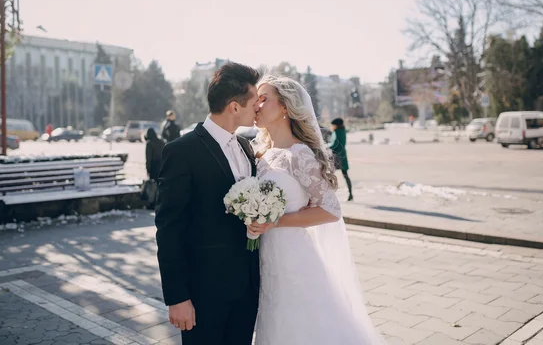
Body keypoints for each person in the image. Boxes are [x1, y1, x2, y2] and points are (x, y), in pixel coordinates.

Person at [250, 75, 383, 345]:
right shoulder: (260, 154)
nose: (256, 104)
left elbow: (330, 210)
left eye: (264, 99)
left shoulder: (299, 154)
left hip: (293, 259)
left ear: (285, 107)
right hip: (265, 258)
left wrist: (274, 222)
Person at [155, 62, 260, 345]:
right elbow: (169, 229)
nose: (258, 109)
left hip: (247, 289)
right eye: (254, 102)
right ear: (235, 107)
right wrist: (177, 298)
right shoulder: (181, 151)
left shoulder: (246, 148)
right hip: (204, 294)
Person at [330, 117, 353, 201]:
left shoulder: (336, 132)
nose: (332, 127)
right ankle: (350, 193)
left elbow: (335, 144)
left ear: (336, 125)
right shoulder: (343, 131)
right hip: (342, 155)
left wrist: (326, 146)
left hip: (336, 156)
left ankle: (328, 194)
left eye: (333, 125)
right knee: (345, 175)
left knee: (329, 175)